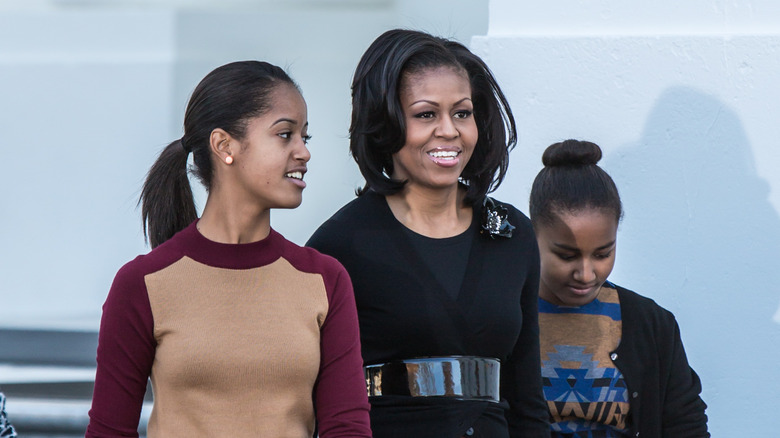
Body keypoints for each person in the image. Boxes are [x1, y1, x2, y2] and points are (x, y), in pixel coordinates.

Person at [85, 61, 371, 438]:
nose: (304, 152)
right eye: (285, 135)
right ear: (224, 146)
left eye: (306, 137)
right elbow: (109, 433)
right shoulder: (142, 284)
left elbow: (347, 428)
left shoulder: (324, 280)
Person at [307, 29, 549, 438]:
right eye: (425, 114)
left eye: (462, 112)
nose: (449, 131)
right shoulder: (339, 246)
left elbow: (527, 397)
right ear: (385, 123)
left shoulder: (514, 235)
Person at [529, 139, 709, 437]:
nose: (586, 274)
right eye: (566, 255)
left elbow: (685, 423)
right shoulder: (504, 317)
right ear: (532, 236)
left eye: (602, 254)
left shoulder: (651, 324)